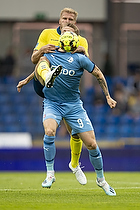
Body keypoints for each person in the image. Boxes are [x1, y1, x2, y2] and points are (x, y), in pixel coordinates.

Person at [34, 30, 117, 196]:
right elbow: (37, 64)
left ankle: (101, 180)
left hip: (73, 106)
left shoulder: (81, 58)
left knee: (92, 144)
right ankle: (50, 174)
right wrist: (41, 57)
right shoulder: (51, 53)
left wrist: (108, 96)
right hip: (52, 103)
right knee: (49, 131)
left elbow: (98, 74)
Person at [17, 8, 89, 185]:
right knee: (44, 60)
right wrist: (42, 49)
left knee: (76, 134)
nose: (67, 21)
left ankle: (74, 164)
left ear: (75, 23)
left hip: (67, 90)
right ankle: (50, 172)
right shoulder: (47, 34)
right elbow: (35, 59)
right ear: (59, 20)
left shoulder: (81, 40)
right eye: (64, 18)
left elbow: (86, 62)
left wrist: (80, 51)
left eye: (70, 19)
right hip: (45, 86)